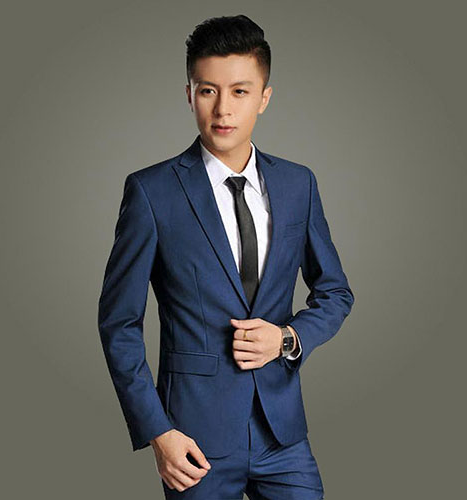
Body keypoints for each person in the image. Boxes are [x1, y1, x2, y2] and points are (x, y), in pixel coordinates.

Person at [98, 14, 354, 499]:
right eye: (207, 91)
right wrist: (158, 431)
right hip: (193, 438)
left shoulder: (298, 184)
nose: (223, 109)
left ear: (264, 97)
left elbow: (335, 291)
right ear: (189, 94)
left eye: (239, 91)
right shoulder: (152, 192)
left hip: (283, 435)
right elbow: (119, 323)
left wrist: (287, 338)